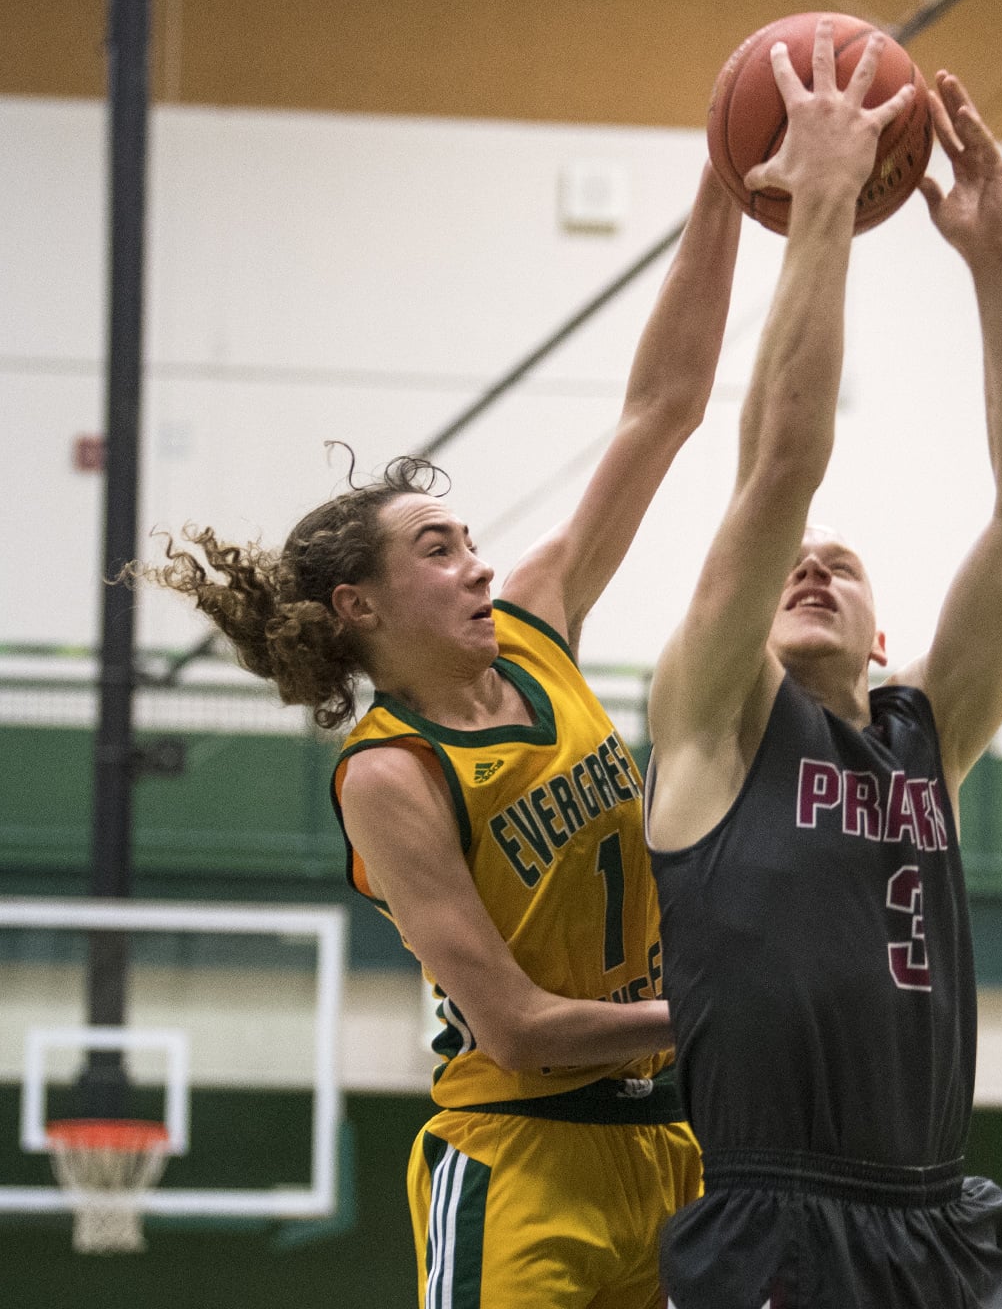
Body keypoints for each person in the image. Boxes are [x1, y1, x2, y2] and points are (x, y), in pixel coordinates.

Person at [140, 165, 740, 1308]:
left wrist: (717, 183)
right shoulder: (389, 773)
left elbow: (663, 408)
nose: (477, 562)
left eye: (467, 538)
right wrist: (731, 1003)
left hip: (668, 1148)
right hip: (523, 1160)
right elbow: (514, 1028)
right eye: (436, 548)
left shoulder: (537, 630)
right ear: (357, 606)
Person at [643, 22, 1002, 1309]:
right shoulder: (709, 719)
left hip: (939, 1220)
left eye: (841, 564)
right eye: (785, 566)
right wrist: (821, 196)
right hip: (773, 1219)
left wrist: (995, 260)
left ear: (880, 638)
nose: (809, 562)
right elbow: (780, 463)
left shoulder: (921, 730)